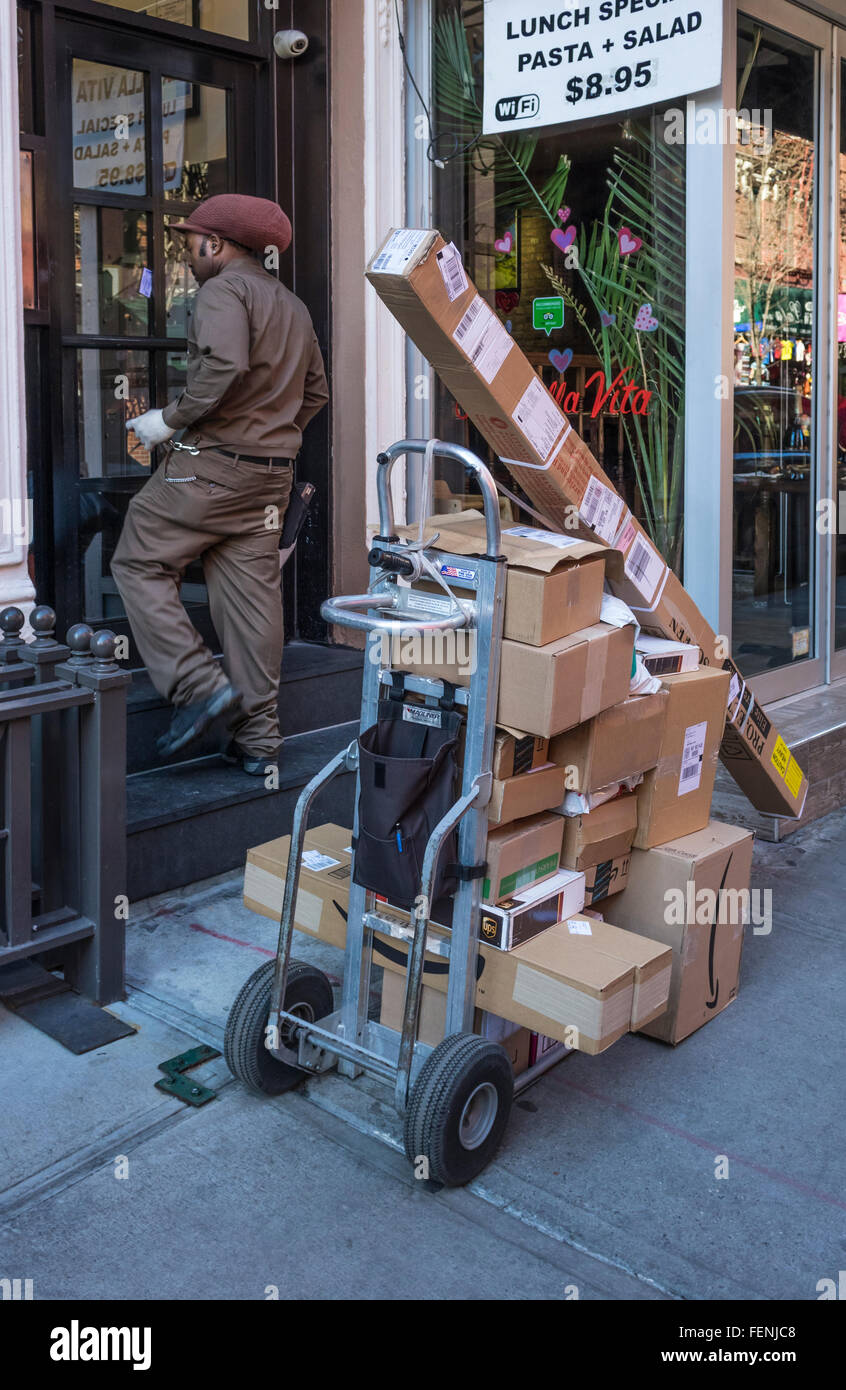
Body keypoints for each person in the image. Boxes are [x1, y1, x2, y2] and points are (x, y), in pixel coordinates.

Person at [112, 194, 329, 775]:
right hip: (270, 478)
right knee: (252, 600)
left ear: (218, 245)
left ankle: (194, 685)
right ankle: (259, 742)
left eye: (191, 243)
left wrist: (168, 419)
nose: (187, 253)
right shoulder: (293, 306)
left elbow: (224, 365)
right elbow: (315, 395)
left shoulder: (222, 291)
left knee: (138, 556)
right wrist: (272, 436)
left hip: (209, 466)